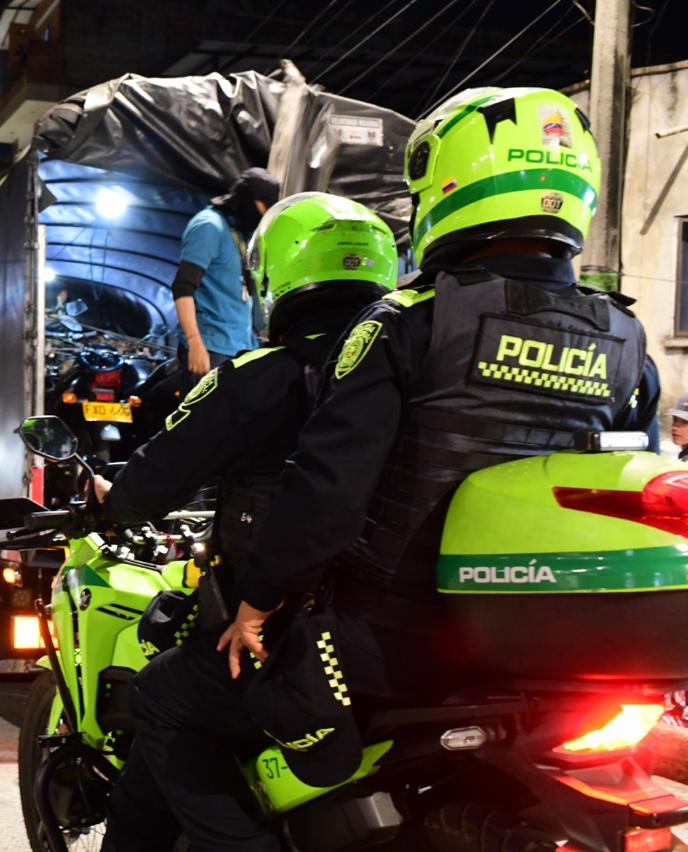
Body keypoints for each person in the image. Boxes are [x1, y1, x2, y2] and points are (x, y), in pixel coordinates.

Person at [204, 87, 660, 842]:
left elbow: (328, 488)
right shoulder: (625, 336)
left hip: (394, 636)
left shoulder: (409, 322)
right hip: (542, 639)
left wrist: (259, 599)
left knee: (185, 706)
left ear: (448, 184)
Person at [95, 193, 399, 851]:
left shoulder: (255, 378)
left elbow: (152, 479)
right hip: (397, 631)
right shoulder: (411, 361)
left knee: (160, 698)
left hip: (288, 634)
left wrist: (110, 499)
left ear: (273, 279)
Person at [173, 166, 281, 392]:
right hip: (210, 347)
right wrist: (194, 342)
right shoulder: (209, 226)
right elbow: (183, 288)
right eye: (264, 206)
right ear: (247, 199)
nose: (264, 214)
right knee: (204, 423)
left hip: (239, 347)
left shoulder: (239, 234)